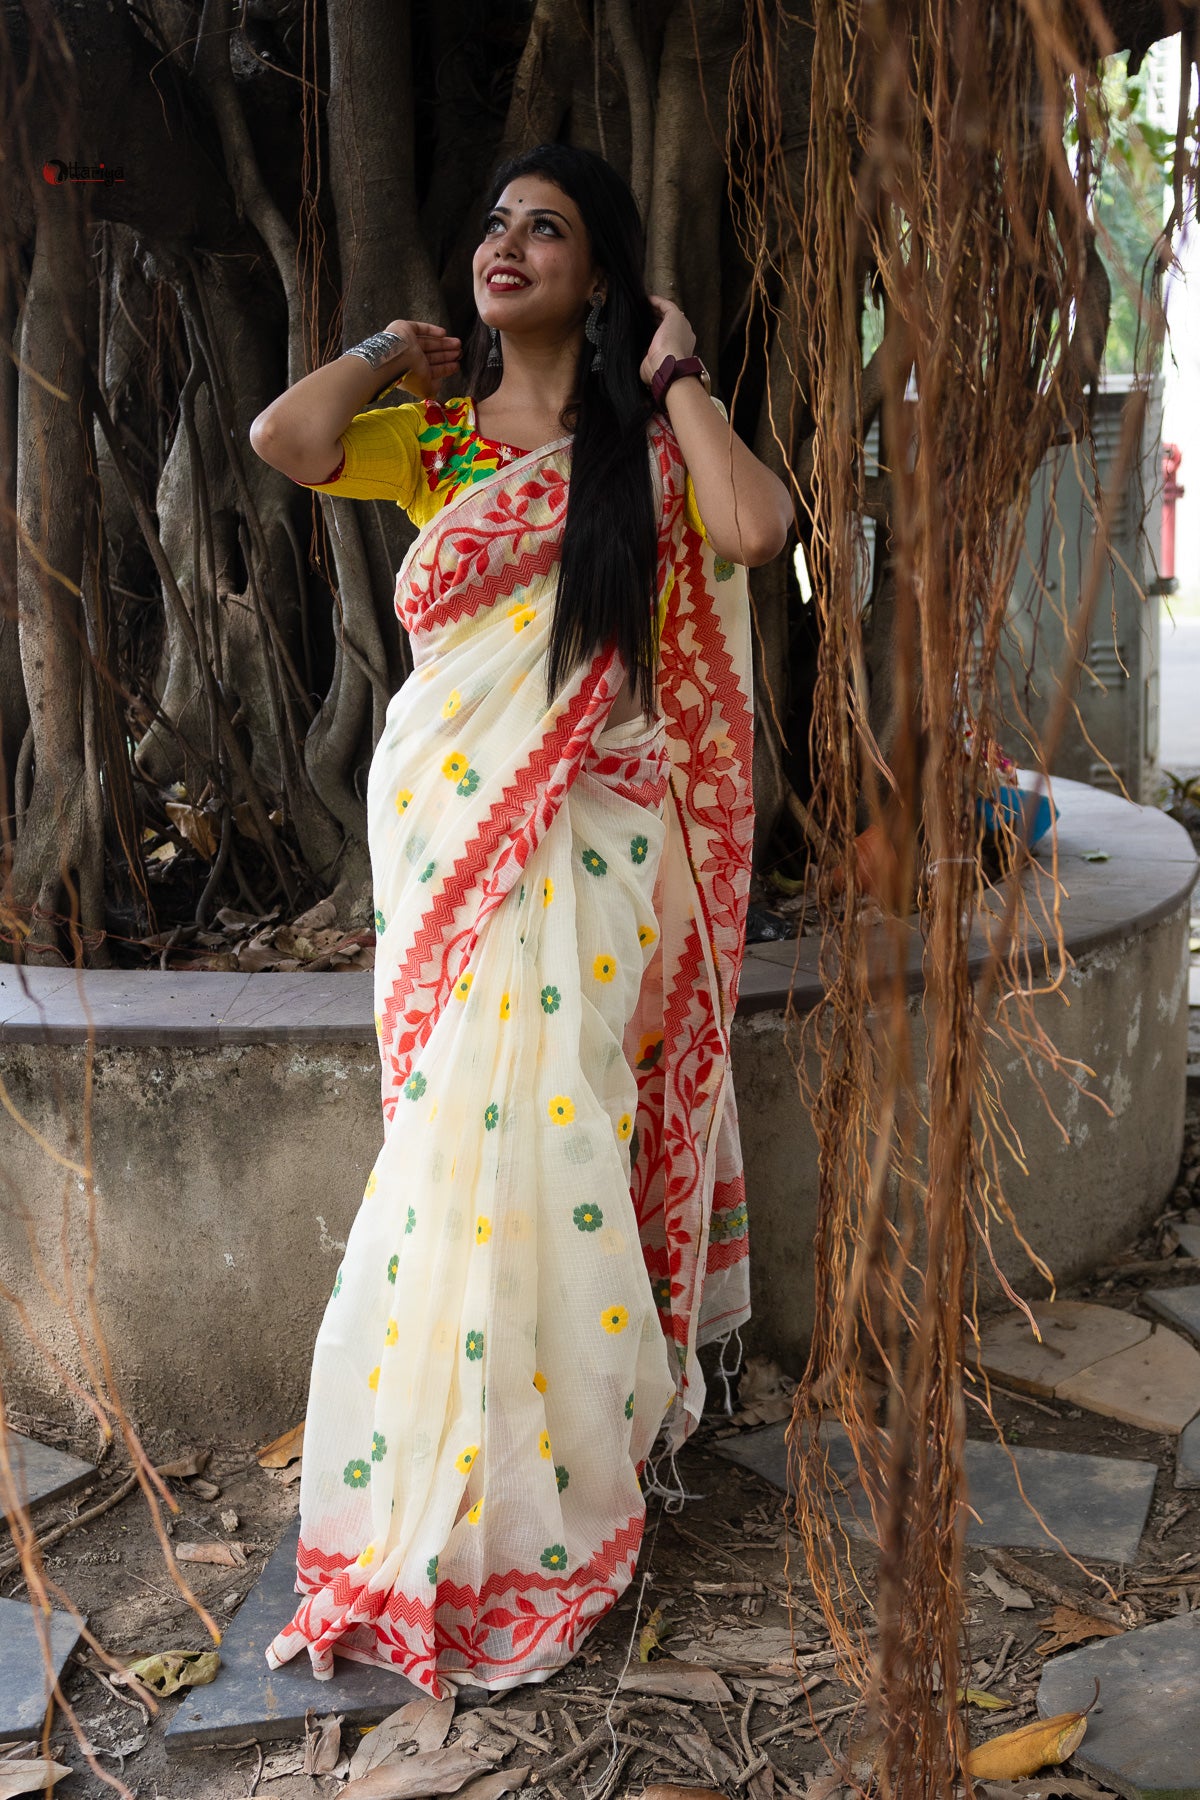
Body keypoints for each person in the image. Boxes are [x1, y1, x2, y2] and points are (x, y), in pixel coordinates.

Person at [248, 143, 791, 1698]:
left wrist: (674, 368)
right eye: (494, 222)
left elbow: (756, 529)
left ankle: (561, 1494)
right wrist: (379, 348)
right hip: (447, 842)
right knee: (447, 1149)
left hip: (601, 859)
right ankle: (441, 1486)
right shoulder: (430, 443)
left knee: (560, 1137)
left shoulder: (645, 455)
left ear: (599, 276)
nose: (506, 243)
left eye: (545, 229)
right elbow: (284, 437)